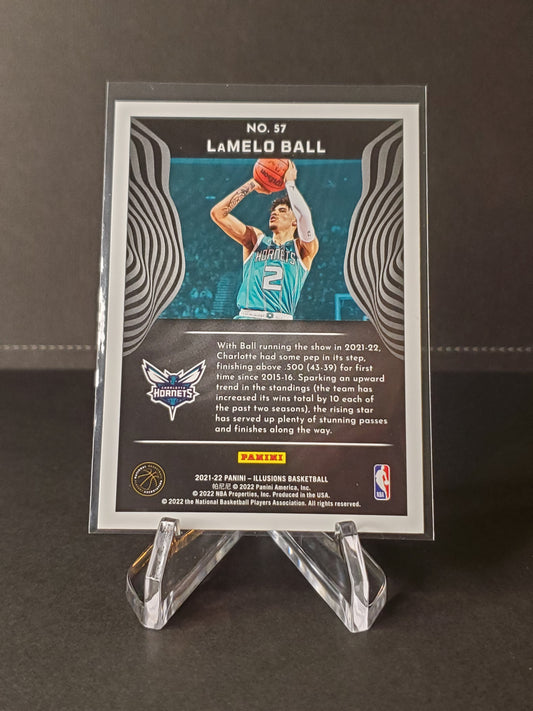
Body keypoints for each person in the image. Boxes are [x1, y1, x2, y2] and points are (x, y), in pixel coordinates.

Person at [210, 161, 319, 319]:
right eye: (273, 211)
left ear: (295, 221)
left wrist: (290, 183)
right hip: (247, 318)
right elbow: (218, 214)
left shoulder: (303, 249)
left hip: (281, 322)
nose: (274, 213)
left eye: (282, 211)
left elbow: (304, 215)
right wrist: (253, 183)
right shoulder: (256, 240)